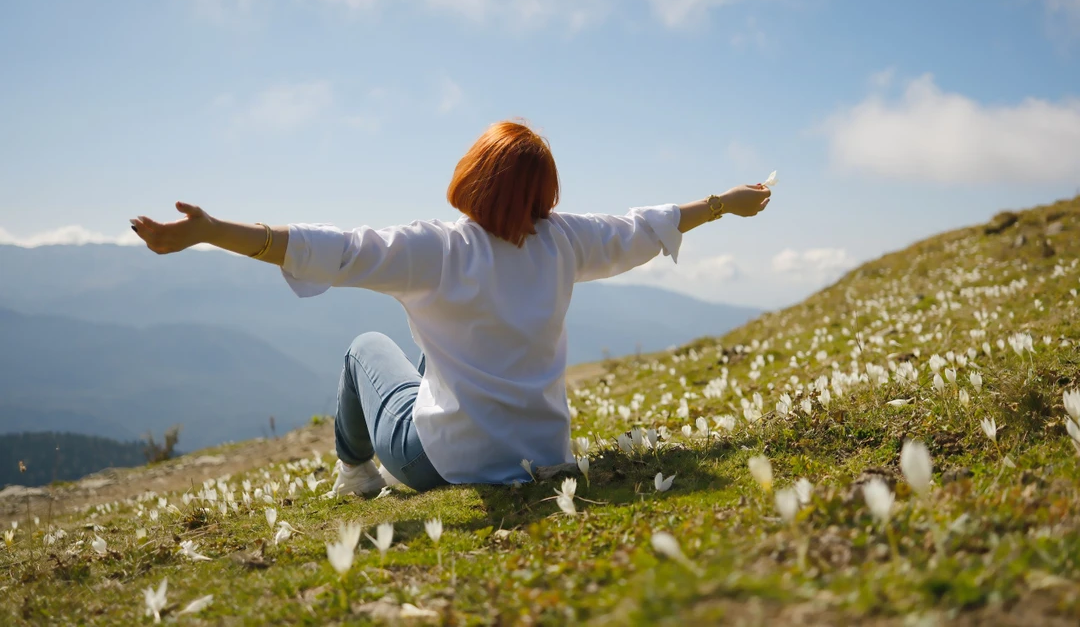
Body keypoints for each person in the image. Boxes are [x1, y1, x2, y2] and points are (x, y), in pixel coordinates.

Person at [130, 120, 771, 496]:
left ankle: (354, 472)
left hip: (441, 462)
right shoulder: (565, 239)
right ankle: (372, 460)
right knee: (431, 336)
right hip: (545, 454)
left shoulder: (435, 250)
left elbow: (329, 249)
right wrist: (724, 203)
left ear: (473, 177)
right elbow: (640, 226)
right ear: (543, 192)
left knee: (363, 349)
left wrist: (212, 231)